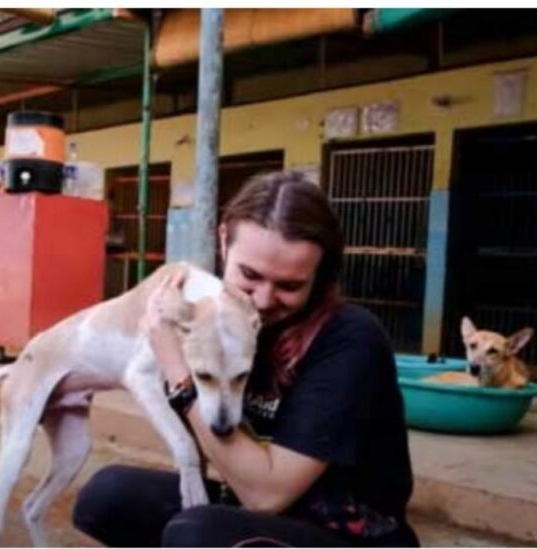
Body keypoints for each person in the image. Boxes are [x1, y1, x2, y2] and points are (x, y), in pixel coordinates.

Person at [72, 171, 419, 547]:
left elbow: (266, 496)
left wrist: (179, 375)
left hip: (345, 529)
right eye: (249, 276)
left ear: (319, 274)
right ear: (223, 241)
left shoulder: (350, 339)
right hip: (259, 508)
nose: (264, 300)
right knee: (107, 495)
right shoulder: (220, 324)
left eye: (289, 285)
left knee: (198, 534)